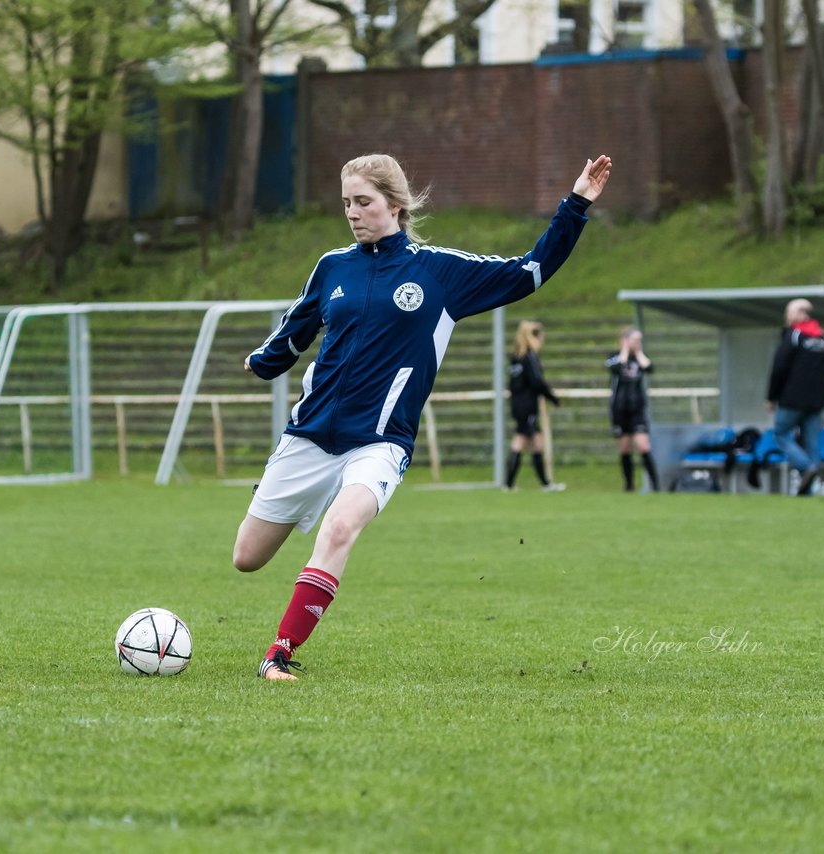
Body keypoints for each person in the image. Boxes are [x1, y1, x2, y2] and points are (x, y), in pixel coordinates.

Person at [235, 152, 613, 680]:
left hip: (380, 442)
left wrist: (575, 205)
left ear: (395, 204)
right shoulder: (332, 267)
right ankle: (303, 504)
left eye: (363, 202)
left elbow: (530, 271)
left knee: (340, 529)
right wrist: (262, 360)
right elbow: (294, 331)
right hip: (310, 435)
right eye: (346, 203)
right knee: (247, 557)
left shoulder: (438, 271)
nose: (353, 212)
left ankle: (280, 653)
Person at [766, 298, 824, 496]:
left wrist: (772, 397)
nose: (787, 317)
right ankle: (808, 491)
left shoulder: (794, 336)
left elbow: (779, 368)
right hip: (817, 401)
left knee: (780, 434)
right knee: (812, 443)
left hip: (792, 400)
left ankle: (806, 468)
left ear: (798, 314)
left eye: (789, 313)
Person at [505, 320, 564, 491]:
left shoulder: (516, 357)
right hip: (527, 405)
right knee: (520, 441)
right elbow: (537, 382)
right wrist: (552, 397)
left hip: (517, 405)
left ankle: (545, 483)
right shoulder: (530, 357)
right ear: (535, 337)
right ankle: (509, 484)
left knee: (537, 442)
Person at [607, 326, 658, 492]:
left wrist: (638, 352)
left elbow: (649, 368)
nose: (637, 343)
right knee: (625, 448)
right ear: (624, 340)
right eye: (634, 340)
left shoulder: (639, 359)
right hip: (619, 409)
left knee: (643, 446)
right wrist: (624, 350)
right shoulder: (614, 357)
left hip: (637, 409)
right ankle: (629, 486)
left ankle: (656, 485)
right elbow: (614, 367)